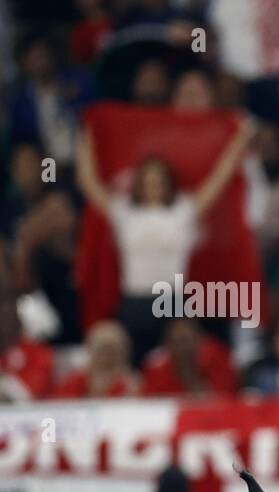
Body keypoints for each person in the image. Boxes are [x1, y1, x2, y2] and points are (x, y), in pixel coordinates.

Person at [76, 116, 257, 361]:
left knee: (180, 366)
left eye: (158, 179)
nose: (153, 184)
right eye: (148, 179)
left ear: (168, 182)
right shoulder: (124, 212)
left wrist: (239, 140)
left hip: (173, 301)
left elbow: (220, 177)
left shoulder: (183, 211)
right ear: (139, 183)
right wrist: (87, 136)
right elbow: (89, 183)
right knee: (136, 368)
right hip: (135, 300)